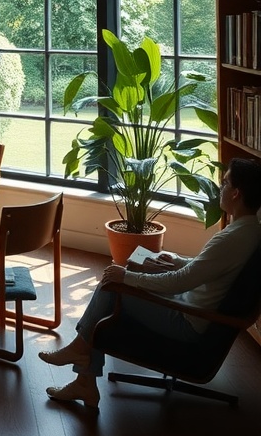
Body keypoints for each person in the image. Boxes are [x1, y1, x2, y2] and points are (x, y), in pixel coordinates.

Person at [39, 157, 261, 409]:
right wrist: (176, 260)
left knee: (111, 286)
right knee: (116, 281)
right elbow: (209, 267)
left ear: (236, 193)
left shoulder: (233, 238)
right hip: (190, 306)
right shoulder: (248, 232)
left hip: (186, 320)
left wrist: (128, 277)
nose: (220, 187)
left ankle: (81, 354)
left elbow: (180, 283)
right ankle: (84, 377)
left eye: (225, 183)